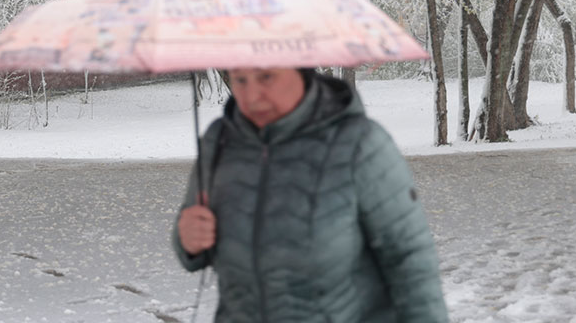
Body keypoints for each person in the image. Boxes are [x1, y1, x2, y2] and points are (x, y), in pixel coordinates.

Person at [173, 67, 449, 322]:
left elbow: (410, 261)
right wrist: (187, 239)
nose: (252, 96)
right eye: (240, 80)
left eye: (266, 77)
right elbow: (191, 234)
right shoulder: (218, 142)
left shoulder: (360, 144)